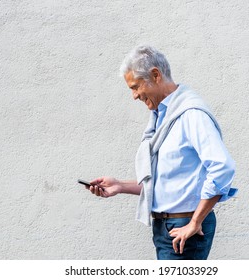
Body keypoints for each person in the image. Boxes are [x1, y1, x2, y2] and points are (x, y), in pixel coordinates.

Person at [86, 45, 237, 260]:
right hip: (166, 228)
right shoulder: (162, 118)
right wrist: (120, 186)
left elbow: (223, 167)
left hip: (184, 230)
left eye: (135, 86)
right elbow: (168, 182)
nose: (134, 95)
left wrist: (195, 222)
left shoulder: (190, 114)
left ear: (155, 75)